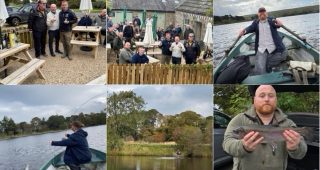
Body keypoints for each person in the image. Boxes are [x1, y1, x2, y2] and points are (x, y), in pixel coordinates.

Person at [223, 85, 307, 170]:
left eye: (271, 96)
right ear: (254, 99)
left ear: (276, 99)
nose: (266, 99)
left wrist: (295, 148)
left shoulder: (288, 124)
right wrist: (243, 146)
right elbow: (226, 144)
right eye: (262, 95)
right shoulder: (239, 120)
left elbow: (301, 153)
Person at [239, 7, 286, 75]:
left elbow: (278, 24)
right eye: (260, 12)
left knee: (280, 56)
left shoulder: (271, 20)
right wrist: (244, 31)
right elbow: (250, 28)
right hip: (262, 49)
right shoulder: (255, 23)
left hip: (273, 48)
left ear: (266, 13)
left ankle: (269, 68)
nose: (262, 13)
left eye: (263, 12)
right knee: (260, 69)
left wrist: (279, 22)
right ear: (258, 14)